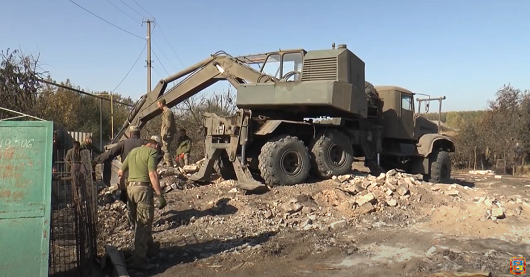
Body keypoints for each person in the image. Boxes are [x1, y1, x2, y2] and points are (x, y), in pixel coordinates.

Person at [118, 139, 167, 270]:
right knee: (144, 223)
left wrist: (123, 190)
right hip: (142, 190)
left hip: (130, 190)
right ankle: (139, 260)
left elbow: (120, 173)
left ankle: (150, 248)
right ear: (156, 145)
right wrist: (159, 194)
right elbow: (152, 173)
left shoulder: (133, 152)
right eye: (159, 148)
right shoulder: (151, 152)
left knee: (138, 222)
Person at [95, 125, 144, 203]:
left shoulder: (124, 143)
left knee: (127, 200)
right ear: (139, 133)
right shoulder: (144, 143)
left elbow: (110, 154)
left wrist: (96, 160)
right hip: (143, 181)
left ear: (130, 134)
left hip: (128, 178)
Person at [157, 99, 176, 167]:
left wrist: (165, 133)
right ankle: (167, 162)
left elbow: (168, 124)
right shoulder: (165, 112)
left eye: (158, 104)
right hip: (165, 133)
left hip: (167, 134)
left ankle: (168, 164)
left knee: (166, 149)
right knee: (164, 148)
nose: (158, 106)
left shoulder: (168, 112)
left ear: (162, 104)